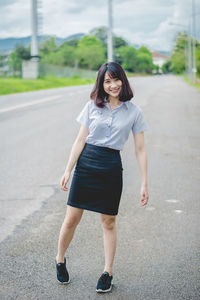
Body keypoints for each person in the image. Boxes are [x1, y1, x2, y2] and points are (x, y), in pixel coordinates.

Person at [55, 62, 149, 293]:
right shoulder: (92, 106)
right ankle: (59, 259)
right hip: (87, 165)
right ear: (101, 84)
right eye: (107, 81)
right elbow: (80, 140)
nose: (113, 85)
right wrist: (68, 169)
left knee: (108, 222)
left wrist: (145, 183)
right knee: (71, 219)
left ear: (123, 80)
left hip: (110, 168)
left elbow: (140, 149)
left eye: (116, 80)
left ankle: (108, 271)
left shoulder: (134, 112)